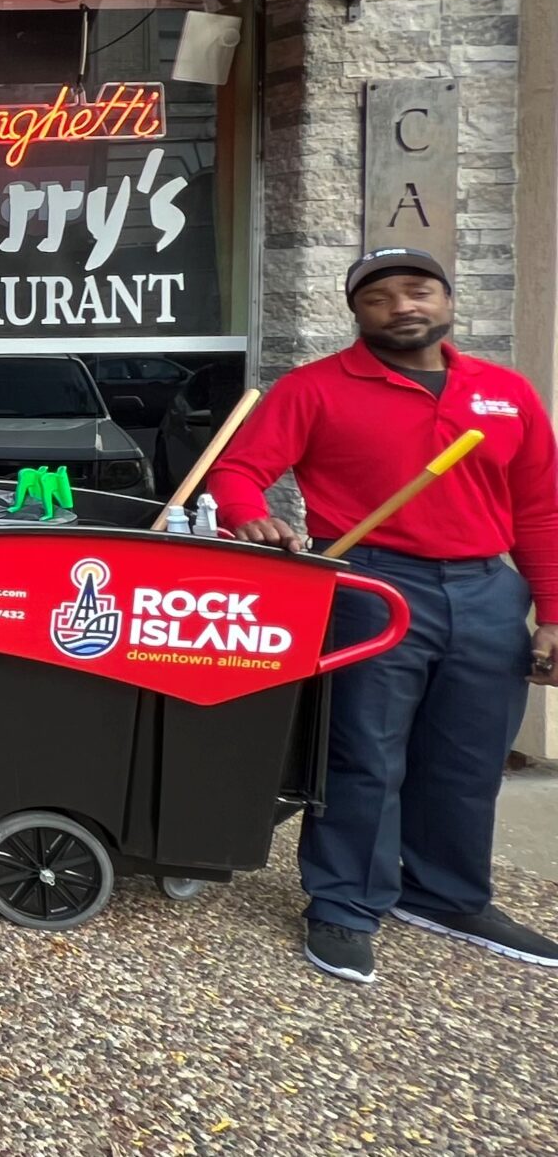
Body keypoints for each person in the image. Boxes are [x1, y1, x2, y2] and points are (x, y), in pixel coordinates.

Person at [206, 247, 558, 982]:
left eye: (419, 290)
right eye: (380, 297)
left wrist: (552, 613)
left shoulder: (506, 394)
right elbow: (239, 471)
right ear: (356, 313)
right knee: (364, 753)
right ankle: (344, 903)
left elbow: (540, 510)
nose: (403, 306)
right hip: (369, 583)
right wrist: (249, 518)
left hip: (490, 592)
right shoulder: (315, 389)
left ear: (446, 299)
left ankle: (447, 895)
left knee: (468, 758)